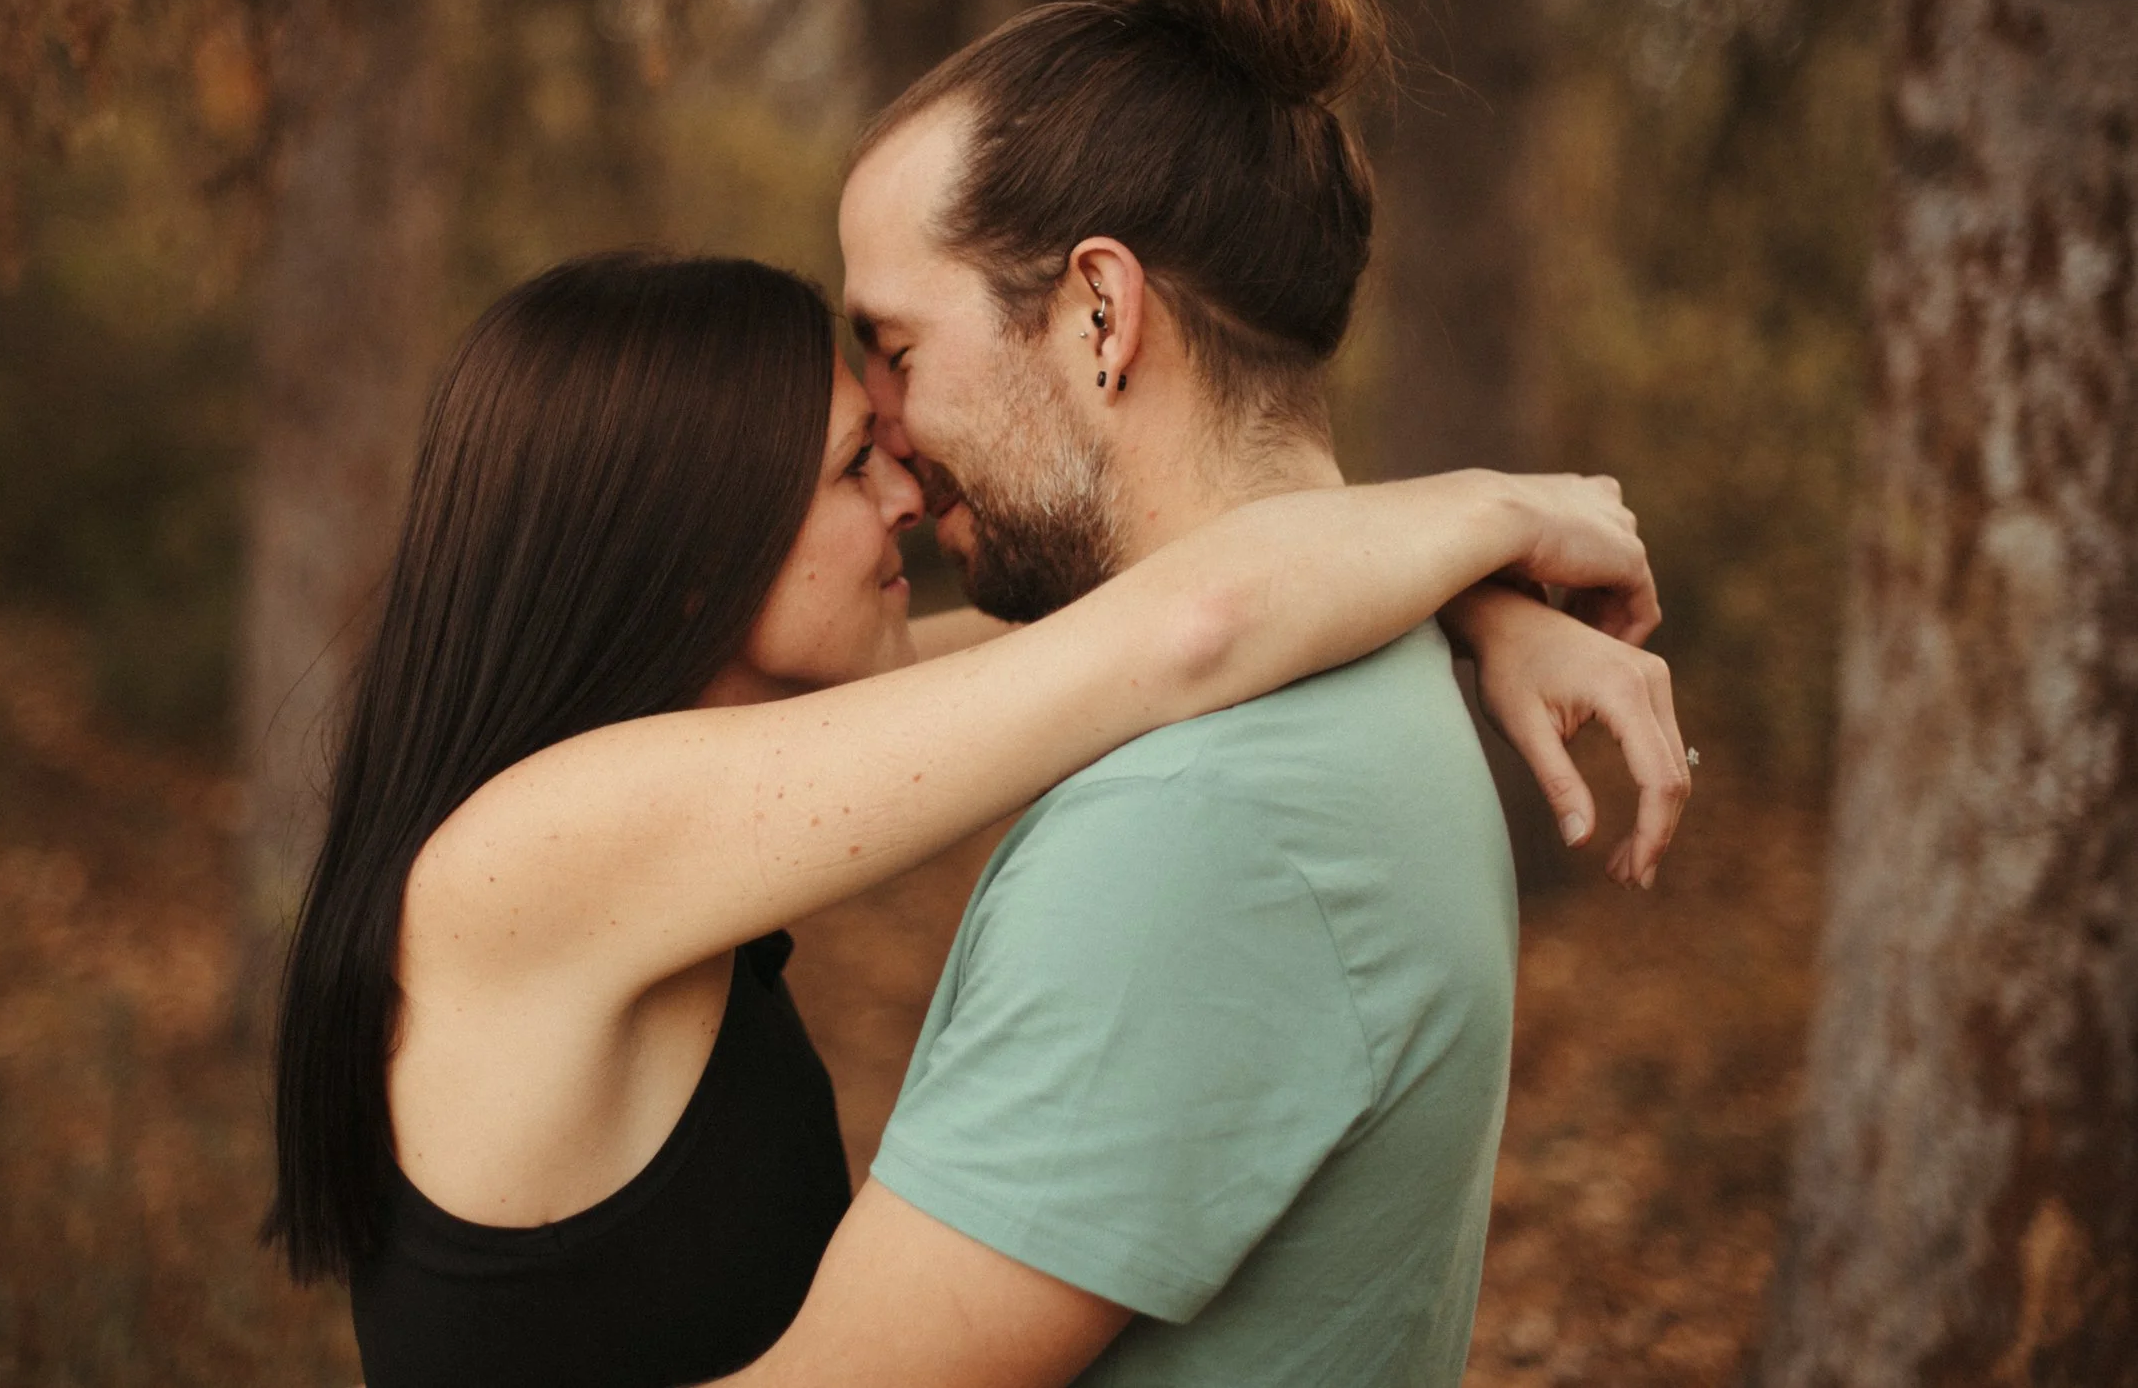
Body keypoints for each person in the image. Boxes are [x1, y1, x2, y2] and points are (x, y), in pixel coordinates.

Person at [263, 250, 1683, 1388]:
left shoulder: (629, 791)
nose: (907, 492)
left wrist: (1475, 605)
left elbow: (1117, 628)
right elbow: (1184, 631)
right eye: (850, 468)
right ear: (688, 556)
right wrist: (1509, 511)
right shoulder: (538, 848)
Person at [717, 0, 1691, 1388]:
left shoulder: (1201, 822)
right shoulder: (1353, 678)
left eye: (895, 348)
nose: (881, 429)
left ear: (1099, 315)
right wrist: (1472, 586)